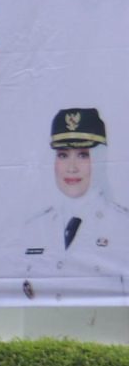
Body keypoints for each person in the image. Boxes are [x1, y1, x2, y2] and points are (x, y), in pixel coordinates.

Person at [21, 108, 128, 298]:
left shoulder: (122, 227)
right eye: (63, 155)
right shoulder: (33, 228)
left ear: (100, 159)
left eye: (83, 155)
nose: (71, 168)